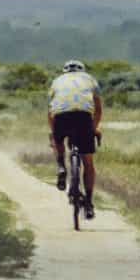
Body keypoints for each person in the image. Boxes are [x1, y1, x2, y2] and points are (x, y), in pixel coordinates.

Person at [48, 58, 102, 220]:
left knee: (57, 139)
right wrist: (94, 129)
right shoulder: (90, 79)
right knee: (88, 163)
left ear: (65, 72)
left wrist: (54, 134)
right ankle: (90, 203)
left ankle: (61, 166)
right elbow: (98, 110)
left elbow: (50, 111)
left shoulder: (56, 81)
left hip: (61, 117)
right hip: (83, 117)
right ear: (82, 70)